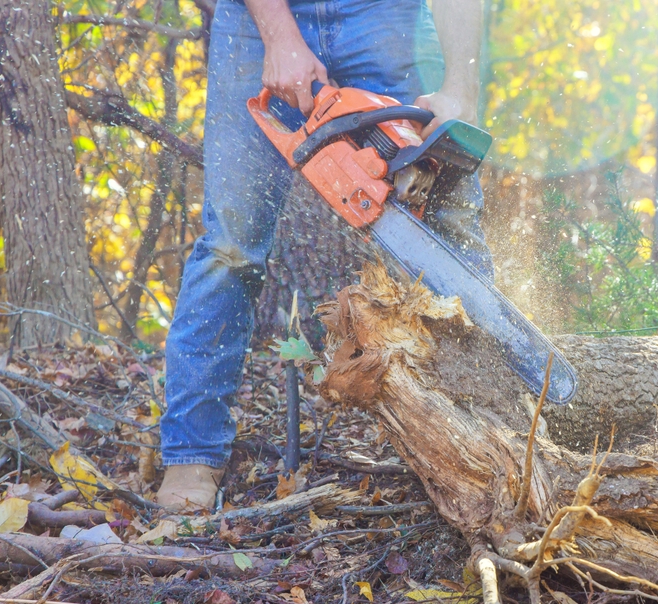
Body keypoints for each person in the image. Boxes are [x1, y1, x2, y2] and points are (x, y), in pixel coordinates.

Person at [156, 0, 491, 510]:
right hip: (257, 22)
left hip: (389, 16)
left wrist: (460, 91)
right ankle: (192, 452)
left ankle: (493, 424)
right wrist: (280, 36)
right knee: (232, 245)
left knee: (449, 220)